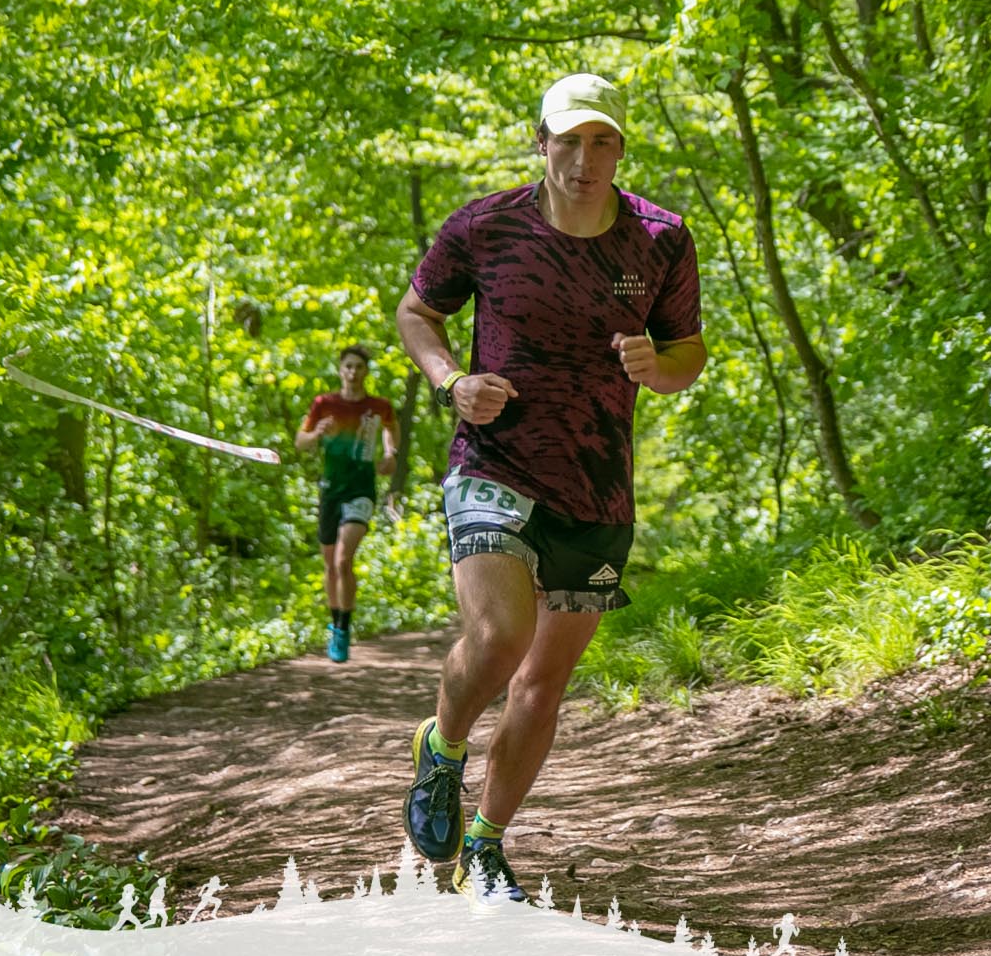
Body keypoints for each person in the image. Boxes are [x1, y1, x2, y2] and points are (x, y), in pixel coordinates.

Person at [394, 72, 706, 900]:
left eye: (601, 142)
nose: (583, 160)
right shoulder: (485, 226)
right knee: (501, 635)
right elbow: (417, 314)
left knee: (541, 684)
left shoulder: (661, 239)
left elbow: (688, 352)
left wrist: (658, 364)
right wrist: (450, 381)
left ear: (620, 149)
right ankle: (443, 748)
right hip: (493, 463)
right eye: (568, 141)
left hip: (596, 488)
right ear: (541, 143)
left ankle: (486, 848)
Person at [295, 344, 398, 662]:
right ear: (340, 370)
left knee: (343, 560)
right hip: (330, 490)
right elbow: (300, 442)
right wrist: (316, 434)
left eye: (359, 367)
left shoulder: (378, 406)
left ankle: (343, 629)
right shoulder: (324, 404)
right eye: (348, 366)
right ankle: (335, 623)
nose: (353, 372)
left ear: (366, 372)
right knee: (330, 565)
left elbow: (391, 427)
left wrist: (390, 453)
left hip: (361, 490)